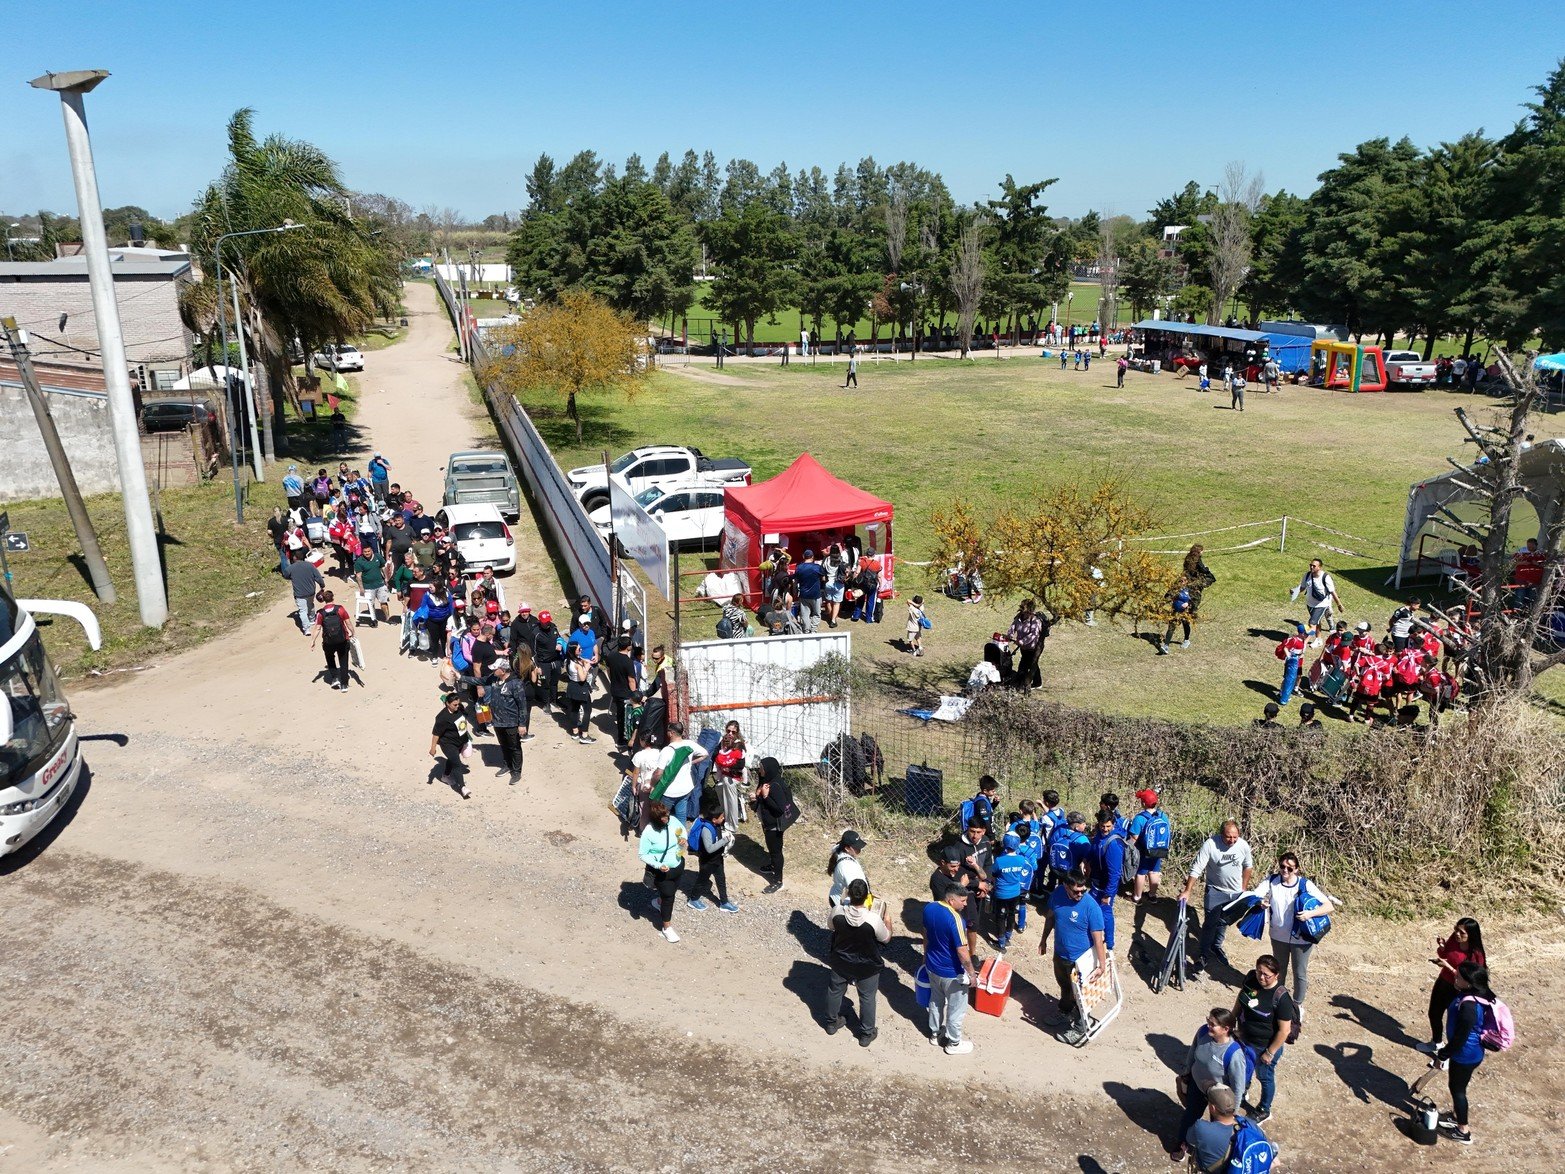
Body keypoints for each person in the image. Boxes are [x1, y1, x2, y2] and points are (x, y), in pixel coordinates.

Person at [1251, 850, 1338, 1010]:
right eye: (1282, 866)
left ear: (1296, 869)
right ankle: (1278, 1000)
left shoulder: (1305, 884)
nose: (1285, 870)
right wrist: (1260, 902)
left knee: (1299, 972)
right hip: (1278, 936)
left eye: (1290, 868)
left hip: (1302, 938)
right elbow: (1255, 895)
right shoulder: (1272, 881)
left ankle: (1297, 1005)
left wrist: (1309, 914)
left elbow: (1328, 906)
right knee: (1279, 970)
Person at [1169, 1009, 1252, 1161]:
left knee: (1218, 1128)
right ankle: (1183, 1143)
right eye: (1208, 1021)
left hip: (1219, 1096)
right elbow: (1192, 1052)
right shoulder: (1202, 1032)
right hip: (1198, 1085)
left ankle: (1214, 1156)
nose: (1208, 1026)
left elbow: (1238, 1087)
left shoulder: (1234, 1054)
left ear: (1226, 1029)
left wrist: (1232, 1112)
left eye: (1213, 1024)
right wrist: (1187, 1073)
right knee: (1190, 1116)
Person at [1431, 961, 1497, 1145]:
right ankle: (1455, 1115)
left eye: (1458, 976)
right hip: (1470, 1053)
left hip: (1465, 1054)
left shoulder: (1469, 1007)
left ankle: (1463, 1130)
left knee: (1457, 1090)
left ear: (1468, 982)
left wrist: (1443, 1055)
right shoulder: (1477, 993)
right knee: (1459, 1086)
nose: (1455, 977)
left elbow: (1460, 1038)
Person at [1038, 869, 1107, 1044]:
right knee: (1065, 987)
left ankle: (1081, 1027)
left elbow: (1098, 939)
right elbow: (1050, 917)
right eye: (1076, 891)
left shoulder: (1091, 907)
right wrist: (1043, 940)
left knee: (1080, 995)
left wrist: (1102, 965)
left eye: (1083, 890)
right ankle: (1064, 1011)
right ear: (1066, 886)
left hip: (1080, 961)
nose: (1080, 894)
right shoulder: (1057, 895)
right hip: (1060, 954)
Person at [1181, 820, 1256, 972]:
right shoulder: (1211, 844)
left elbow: (1248, 865)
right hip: (1215, 890)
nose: (1232, 840)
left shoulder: (1243, 846)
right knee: (1210, 923)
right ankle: (1203, 955)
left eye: (1235, 837)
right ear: (1221, 834)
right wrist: (1188, 890)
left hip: (1235, 892)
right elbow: (1197, 867)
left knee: (1223, 922)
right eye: (1228, 837)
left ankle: (1216, 946)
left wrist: (1243, 887)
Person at [824, 877, 891, 1047]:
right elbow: (886, 938)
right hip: (867, 965)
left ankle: (831, 1023)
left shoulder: (837, 911)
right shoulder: (873, 919)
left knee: (835, 991)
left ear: (848, 894)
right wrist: (888, 921)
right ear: (867, 897)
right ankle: (866, 1034)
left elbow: (831, 927)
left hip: (841, 960)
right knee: (867, 998)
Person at [1232, 954, 1295, 1124]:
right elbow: (1241, 1000)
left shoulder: (1281, 998)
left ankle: (1264, 1109)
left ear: (1276, 975)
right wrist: (1232, 1020)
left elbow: (1284, 1030)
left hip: (1265, 1046)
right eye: (1259, 972)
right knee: (1243, 1069)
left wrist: (1270, 1052)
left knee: (1264, 1077)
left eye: (1266, 975)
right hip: (1246, 1040)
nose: (1261, 977)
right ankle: (1241, 1092)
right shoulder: (1252, 980)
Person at [922, 881, 978, 1054]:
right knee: (956, 1009)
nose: (965, 904)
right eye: (963, 900)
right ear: (951, 900)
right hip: (952, 973)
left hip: (932, 966)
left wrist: (925, 956)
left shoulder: (929, 908)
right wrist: (972, 974)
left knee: (935, 1001)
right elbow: (962, 951)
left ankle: (935, 1033)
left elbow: (925, 933)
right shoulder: (956, 919)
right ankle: (954, 1043)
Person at [1420, 917, 1487, 1053]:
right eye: (1456, 929)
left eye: (1462, 932)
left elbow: (1471, 977)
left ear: (1471, 935)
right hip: (1443, 982)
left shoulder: (1476, 954)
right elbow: (1446, 954)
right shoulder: (1453, 939)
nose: (1457, 934)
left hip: (1459, 990)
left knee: (1454, 1022)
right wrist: (1442, 947)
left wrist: (1448, 967)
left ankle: (1450, 1053)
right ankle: (1436, 1042)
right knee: (1434, 1013)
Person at [638, 801, 686, 943]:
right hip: (661, 872)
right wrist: (658, 865)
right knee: (669, 897)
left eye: (667, 816)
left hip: (678, 864)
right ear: (655, 819)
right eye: (663, 818)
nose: (666, 819)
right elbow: (643, 854)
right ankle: (666, 928)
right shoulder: (649, 832)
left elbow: (682, 831)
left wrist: (683, 839)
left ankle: (659, 902)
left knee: (673, 890)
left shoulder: (673, 821)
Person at [683, 797, 739, 913]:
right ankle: (693, 899)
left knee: (721, 880)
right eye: (721, 817)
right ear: (714, 819)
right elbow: (709, 849)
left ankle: (724, 902)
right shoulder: (706, 830)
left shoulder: (716, 825)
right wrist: (725, 841)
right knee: (702, 881)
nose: (723, 819)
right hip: (707, 862)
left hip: (717, 859)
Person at [480, 659, 528, 784]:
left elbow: (522, 705)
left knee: (514, 747)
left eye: (495, 669)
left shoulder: (515, 683)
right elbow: (478, 680)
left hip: (511, 723)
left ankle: (516, 772)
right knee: (504, 745)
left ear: (503, 670)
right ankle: (507, 765)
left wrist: (522, 724)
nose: (493, 671)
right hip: (497, 721)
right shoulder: (494, 680)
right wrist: (460, 677)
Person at [654, 720, 708, 828]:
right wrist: (691, 762)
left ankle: (662, 833)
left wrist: (652, 784)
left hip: (669, 791)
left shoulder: (667, 750)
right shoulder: (689, 744)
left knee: (663, 816)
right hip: (685, 789)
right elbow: (705, 754)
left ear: (671, 733)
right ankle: (681, 835)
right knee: (681, 816)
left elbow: (659, 773)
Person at [751, 756, 793, 893]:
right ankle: (773, 866)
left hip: (775, 825)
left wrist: (765, 796)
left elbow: (779, 809)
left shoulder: (774, 786)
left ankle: (778, 881)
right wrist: (756, 797)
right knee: (772, 848)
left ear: (768, 769)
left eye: (762, 768)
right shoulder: (766, 782)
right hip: (767, 823)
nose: (759, 770)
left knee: (776, 852)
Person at [1087, 810, 1125, 951]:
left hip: (1105, 886)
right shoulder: (1099, 835)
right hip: (1096, 882)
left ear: (1113, 824)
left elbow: (1115, 873)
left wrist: (1108, 894)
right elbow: (1094, 848)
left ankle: (1109, 944)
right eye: (1102, 826)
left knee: (1105, 913)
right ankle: (1092, 937)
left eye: (1108, 826)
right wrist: (1086, 859)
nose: (1105, 829)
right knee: (1092, 909)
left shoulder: (1113, 844)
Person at [1126, 788, 1171, 907]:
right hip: (1159, 849)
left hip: (1144, 850)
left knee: (1141, 873)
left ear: (1143, 803)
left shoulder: (1140, 818)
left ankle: (1137, 897)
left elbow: (1134, 837)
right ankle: (1152, 895)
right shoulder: (1163, 816)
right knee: (1154, 871)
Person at [989, 832, 1033, 950]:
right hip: (1015, 892)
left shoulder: (999, 860)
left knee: (1000, 916)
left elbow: (993, 873)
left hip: (1002, 893)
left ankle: (1001, 942)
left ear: (1004, 844)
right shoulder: (1021, 859)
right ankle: (1008, 936)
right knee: (1011, 914)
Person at [428, 692, 472, 799]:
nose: (457, 706)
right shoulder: (442, 717)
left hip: (460, 741)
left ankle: (445, 776)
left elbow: (464, 718)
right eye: (454, 705)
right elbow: (436, 734)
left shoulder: (459, 708)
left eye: (458, 704)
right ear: (447, 703)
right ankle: (462, 787)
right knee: (457, 764)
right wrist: (433, 747)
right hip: (448, 744)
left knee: (453, 759)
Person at [311, 589, 355, 691]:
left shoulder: (320, 613)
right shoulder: (340, 609)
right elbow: (348, 623)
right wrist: (352, 632)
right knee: (343, 661)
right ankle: (344, 685)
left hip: (328, 642)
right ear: (333, 598)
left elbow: (317, 628)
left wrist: (313, 640)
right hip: (342, 640)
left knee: (330, 658)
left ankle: (335, 678)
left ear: (324, 600)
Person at [1291, 558, 1343, 646]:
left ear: (1319, 567)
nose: (1311, 567)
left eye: (1314, 566)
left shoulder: (1325, 577)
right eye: (1310, 565)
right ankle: (1319, 639)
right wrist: (1295, 591)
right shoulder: (1307, 575)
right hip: (1310, 604)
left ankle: (1304, 642)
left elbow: (1332, 592)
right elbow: (1303, 587)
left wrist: (1339, 604)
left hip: (1322, 605)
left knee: (1312, 623)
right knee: (1317, 622)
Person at [601, 635, 639, 751]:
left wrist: (613, 681)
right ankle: (622, 739)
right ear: (628, 647)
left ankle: (622, 738)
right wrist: (635, 694)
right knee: (625, 717)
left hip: (615, 690)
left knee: (620, 714)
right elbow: (631, 680)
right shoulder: (628, 662)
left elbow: (608, 670)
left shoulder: (611, 656)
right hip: (625, 693)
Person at [710, 721, 749, 826]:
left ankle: (731, 823)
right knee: (718, 788)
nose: (730, 733)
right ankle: (725, 812)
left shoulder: (739, 745)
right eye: (728, 731)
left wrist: (729, 768)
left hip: (735, 775)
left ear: (737, 732)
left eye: (733, 732)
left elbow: (741, 765)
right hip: (723, 772)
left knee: (728, 786)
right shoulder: (723, 741)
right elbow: (715, 754)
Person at [1006, 599, 1047, 689]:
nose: (1021, 608)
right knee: (1031, 664)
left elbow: (1034, 634)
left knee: (1028, 664)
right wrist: (1009, 635)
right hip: (1023, 648)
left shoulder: (1035, 620)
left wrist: (1022, 641)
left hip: (1032, 648)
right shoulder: (1019, 617)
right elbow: (1013, 626)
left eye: (1023, 607)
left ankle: (1026, 683)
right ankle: (1036, 682)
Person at [284, 549, 326, 635]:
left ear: (295, 558)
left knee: (302, 611)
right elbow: (318, 577)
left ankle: (307, 629)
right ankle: (312, 620)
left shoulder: (290, 568)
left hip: (299, 594)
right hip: (311, 592)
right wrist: (322, 586)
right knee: (311, 605)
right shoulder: (310, 565)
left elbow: (285, 575)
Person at [562, 644, 596, 743]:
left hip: (572, 686)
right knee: (587, 710)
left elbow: (582, 659)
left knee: (575, 709)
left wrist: (589, 661)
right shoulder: (577, 665)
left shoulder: (568, 660)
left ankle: (575, 732)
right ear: (574, 651)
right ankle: (584, 735)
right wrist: (586, 668)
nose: (581, 650)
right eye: (579, 649)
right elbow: (582, 678)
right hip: (580, 688)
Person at [531, 610, 565, 709]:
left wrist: (560, 644)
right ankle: (546, 703)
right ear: (540, 621)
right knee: (544, 683)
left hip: (555, 660)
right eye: (545, 622)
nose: (547, 624)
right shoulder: (536, 633)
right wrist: (537, 666)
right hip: (543, 663)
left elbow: (559, 638)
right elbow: (533, 651)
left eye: (548, 621)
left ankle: (554, 700)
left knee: (555, 682)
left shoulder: (553, 627)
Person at [827, 829, 869, 907]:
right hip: (844, 904)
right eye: (856, 848)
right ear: (847, 848)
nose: (859, 850)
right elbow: (856, 892)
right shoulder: (847, 867)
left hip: (836, 896)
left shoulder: (840, 850)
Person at [353, 544, 390, 626]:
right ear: (362, 552)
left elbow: (383, 568)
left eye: (368, 551)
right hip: (368, 587)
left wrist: (386, 579)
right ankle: (374, 619)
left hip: (380, 584)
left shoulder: (378, 557)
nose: (367, 553)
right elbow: (358, 576)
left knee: (384, 602)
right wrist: (361, 588)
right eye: (365, 552)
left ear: (372, 550)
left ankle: (388, 618)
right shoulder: (359, 562)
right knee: (371, 604)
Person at [1275, 623, 1307, 705]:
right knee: (1288, 678)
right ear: (1302, 633)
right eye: (1306, 634)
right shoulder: (1295, 640)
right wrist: (1289, 657)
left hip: (1298, 662)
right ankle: (1282, 693)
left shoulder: (1302, 640)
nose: (1307, 636)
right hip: (1292, 663)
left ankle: (1288, 692)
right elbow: (1286, 648)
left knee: (1294, 678)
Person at [793, 549, 824, 626]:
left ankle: (806, 629)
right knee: (816, 613)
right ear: (812, 557)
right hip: (815, 594)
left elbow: (795, 581)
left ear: (803, 556)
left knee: (805, 614)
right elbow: (824, 578)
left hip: (803, 594)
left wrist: (795, 591)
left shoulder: (799, 567)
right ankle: (813, 629)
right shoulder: (817, 567)